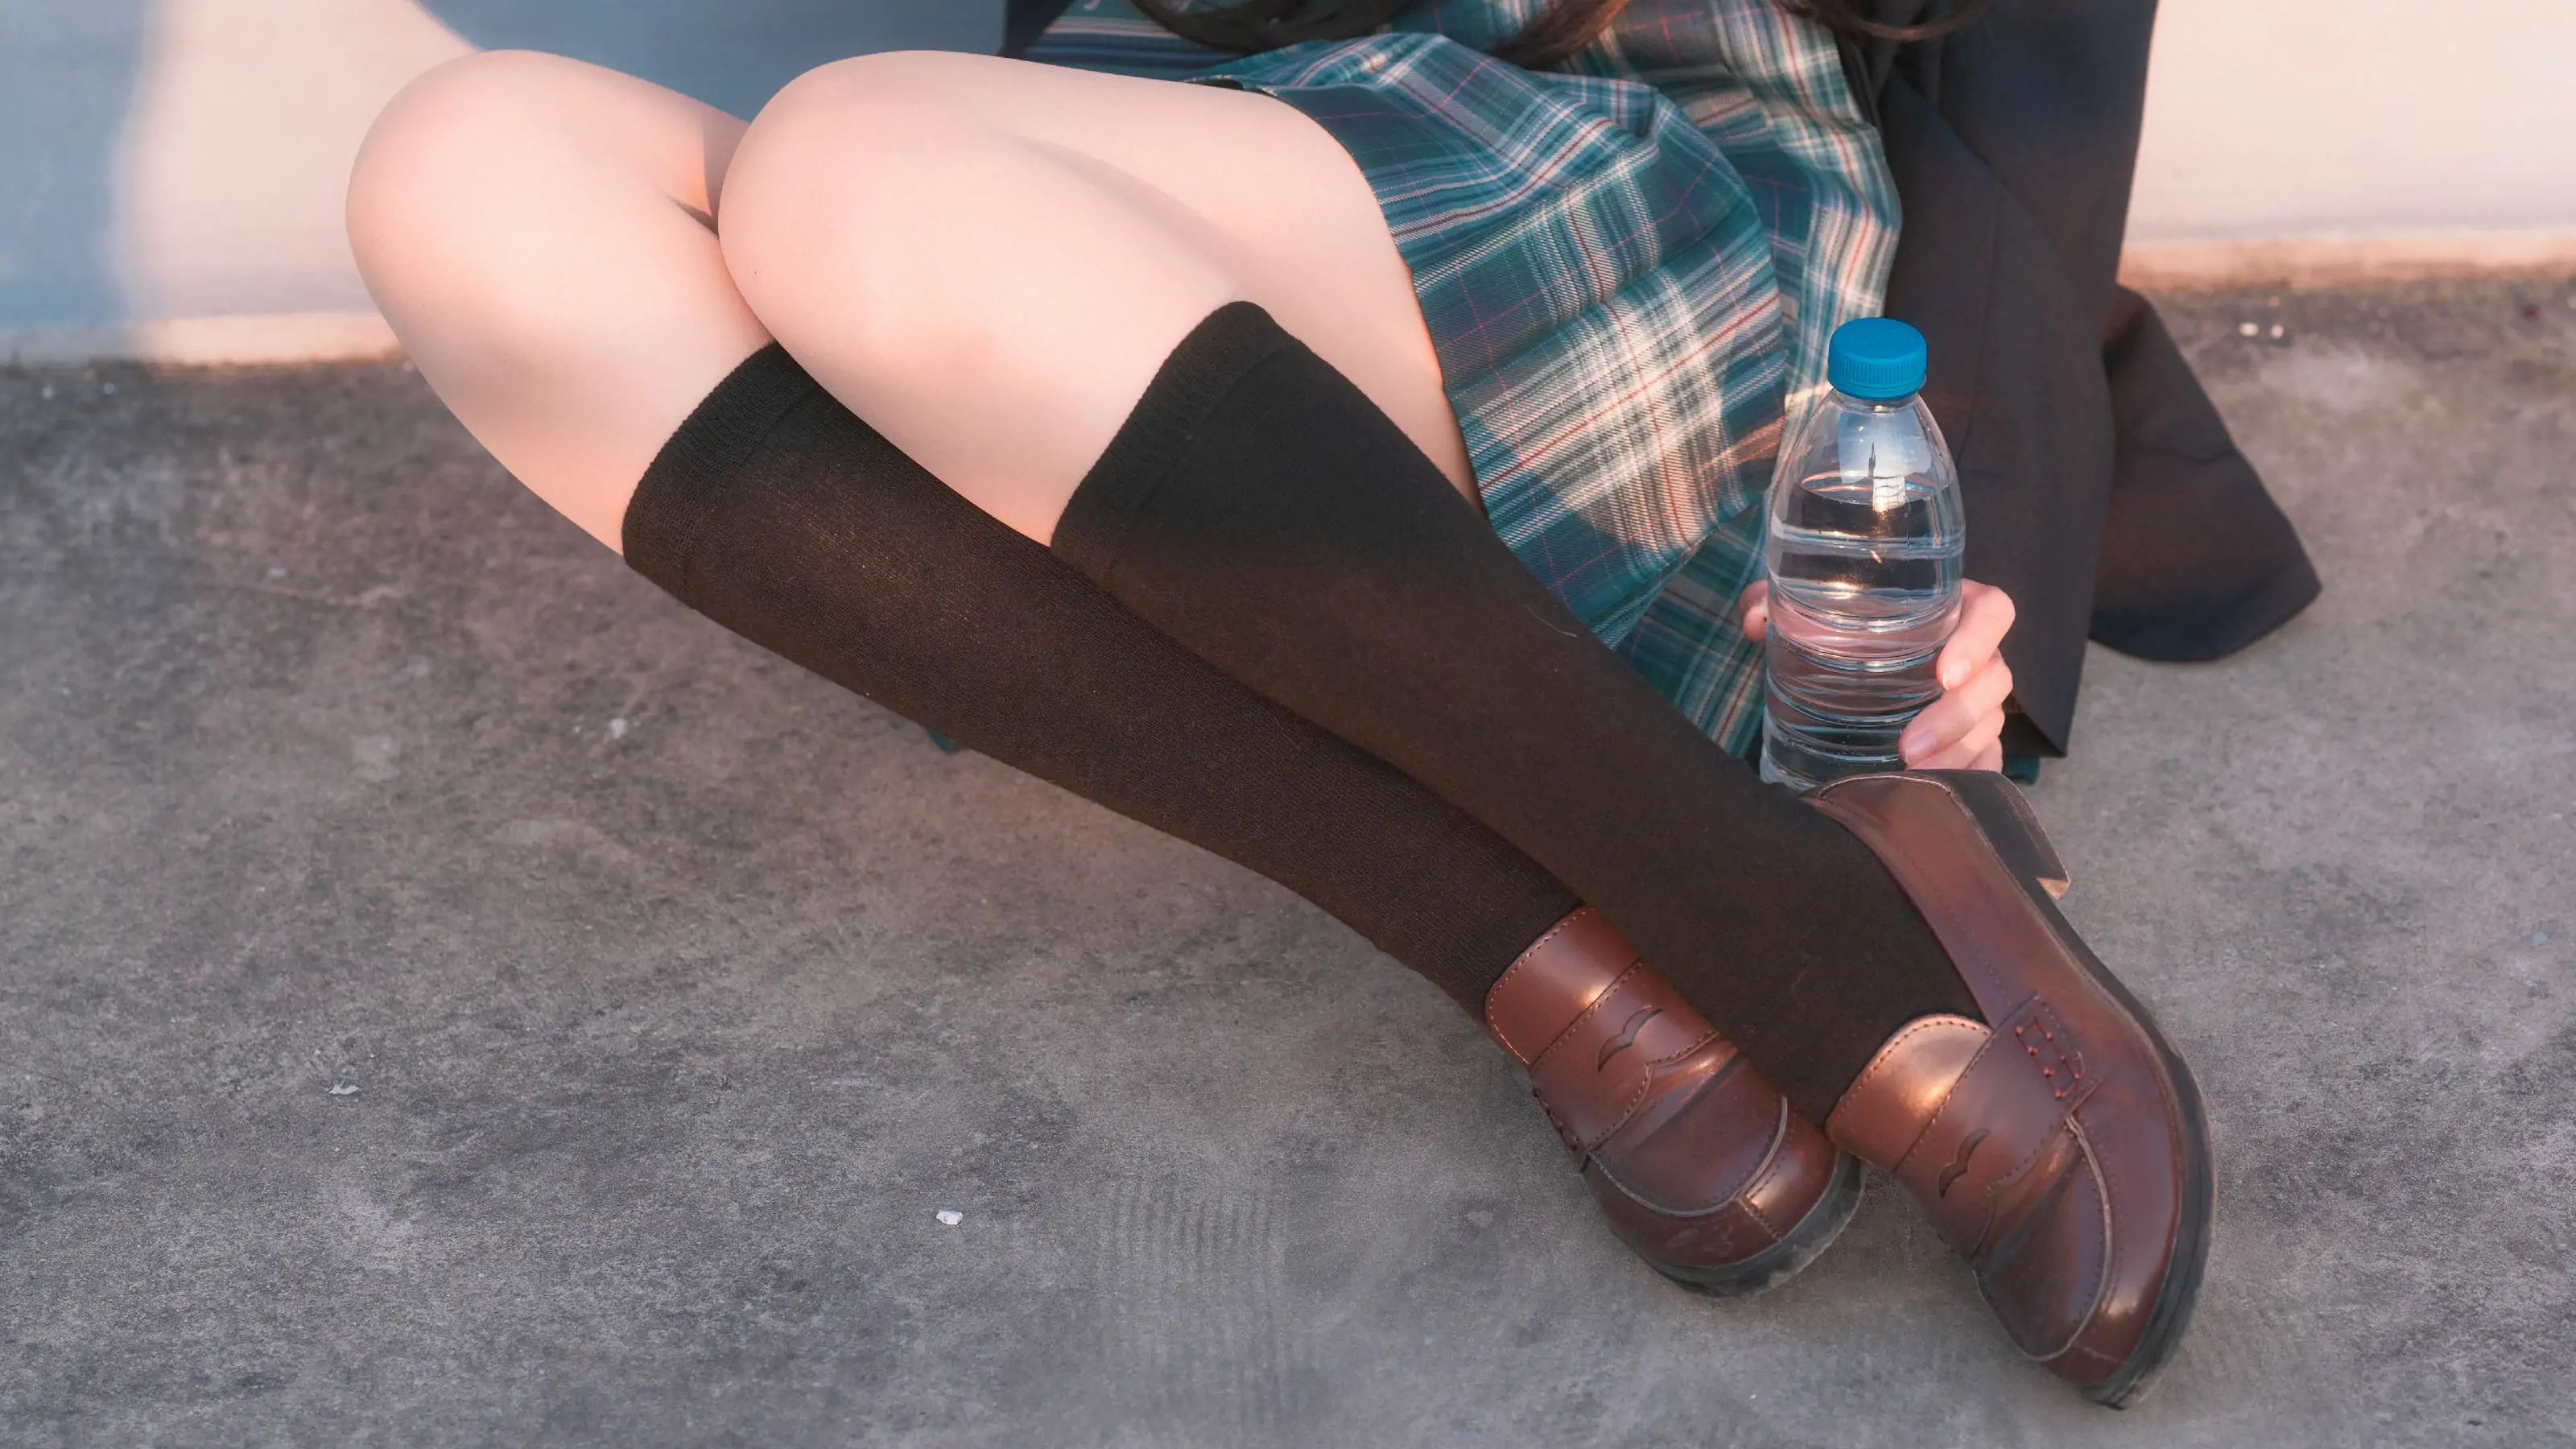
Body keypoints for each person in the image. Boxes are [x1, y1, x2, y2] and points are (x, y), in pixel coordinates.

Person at [345, 0, 2239, 1406]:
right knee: (466, 172)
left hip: (1632, 159)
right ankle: (1573, 939)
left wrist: (1948, 514)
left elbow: (2041, 54)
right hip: (1149, 162)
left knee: (851, 169)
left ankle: (1832, 955)